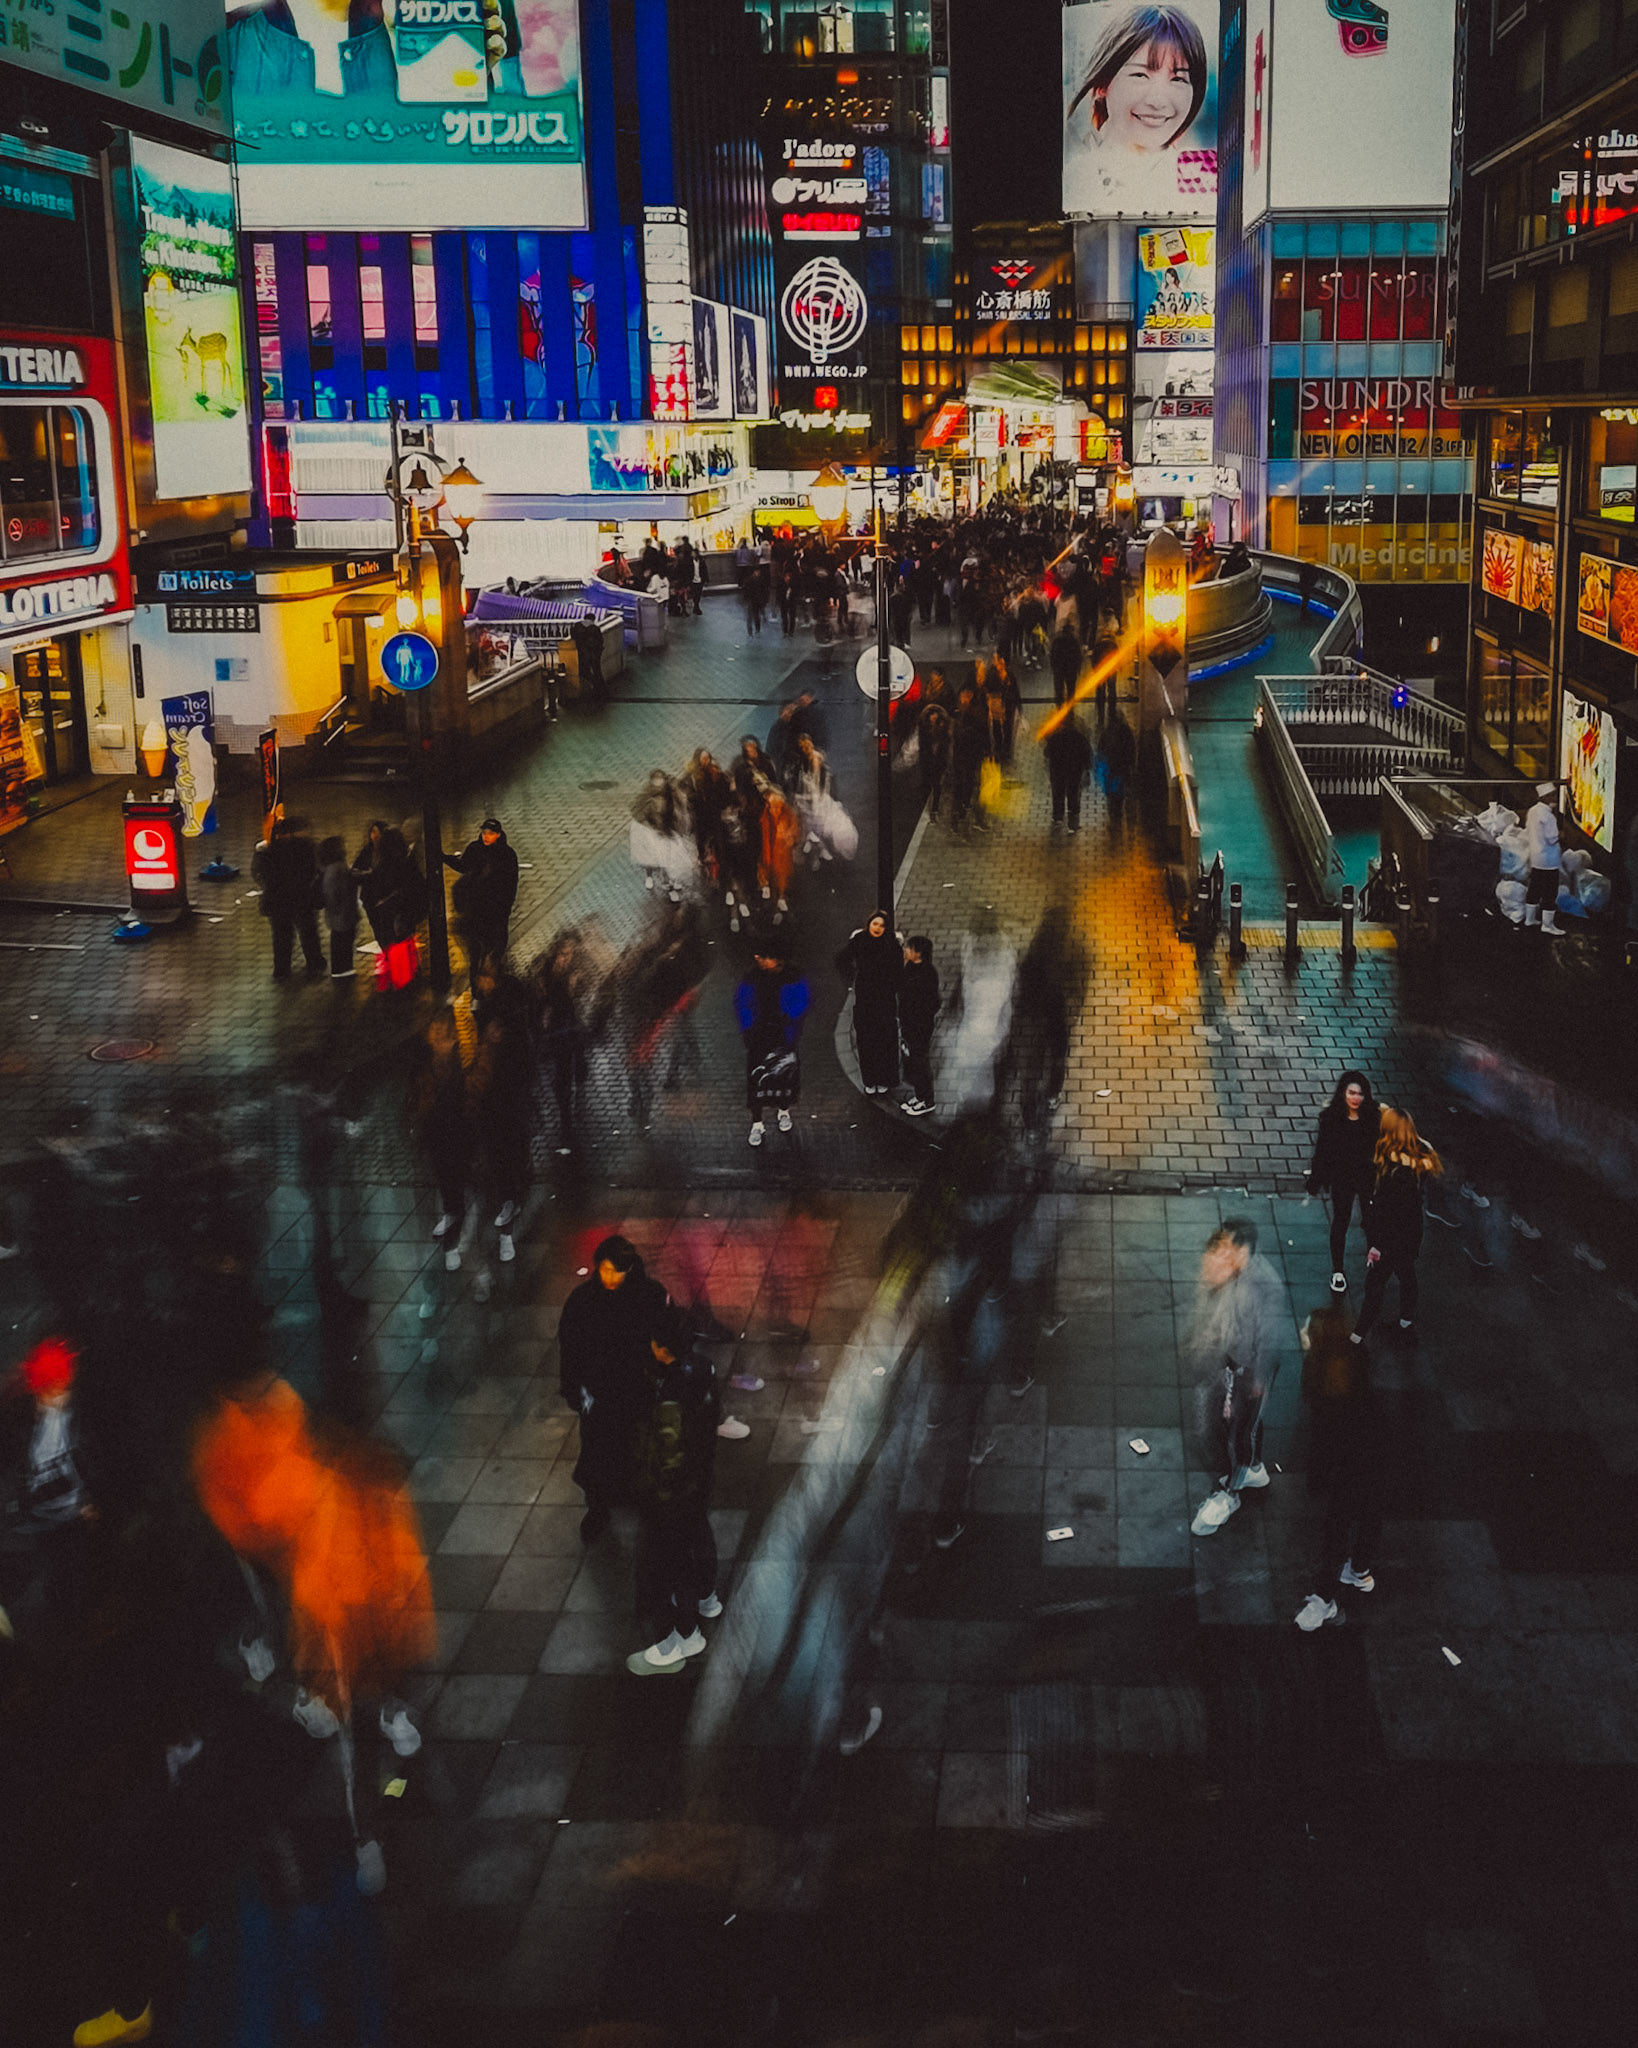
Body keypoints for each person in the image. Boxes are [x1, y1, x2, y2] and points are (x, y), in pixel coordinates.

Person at [626, 1305, 723, 1675]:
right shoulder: (703, 1370)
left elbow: (661, 1454)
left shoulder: (664, 1393)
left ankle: (674, 1639)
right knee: (695, 1542)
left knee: (659, 1566)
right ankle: (706, 1600)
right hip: (697, 1483)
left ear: (663, 1349)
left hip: (668, 1496)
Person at [558, 1237, 670, 1543]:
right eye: (605, 1270)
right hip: (601, 1393)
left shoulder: (649, 1296)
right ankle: (599, 1508)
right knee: (597, 1452)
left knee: (638, 1447)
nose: (610, 1278)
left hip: (636, 1389)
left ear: (630, 1269)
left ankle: (636, 1496)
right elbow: (569, 1348)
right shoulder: (583, 1301)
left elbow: (664, 1339)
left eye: (616, 1271)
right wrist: (573, 1390)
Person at [1063, 3, 1216, 215]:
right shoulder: (1078, 179)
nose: (1158, 100)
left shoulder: (1200, 181)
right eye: (1140, 75)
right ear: (1102, 85)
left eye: (1179, 78)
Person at [1294, 1298, 1387, 1630]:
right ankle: (1358, 1569)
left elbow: (1324, 1435)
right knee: (1369, 1513)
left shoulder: (1320, 1377)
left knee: (1337, 1528)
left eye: (1307, 1328)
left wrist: (1318, 1477)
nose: (1301, 1330)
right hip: (1375, 1451)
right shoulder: (1348, 1360)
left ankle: (1324, 1600)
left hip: (1357, 1461)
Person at [1187, 1218, 1285, 1535]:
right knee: (1233, 1428)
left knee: (1237, 1432)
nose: (1223, 1249)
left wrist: (1258, 1382)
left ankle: (1230, 1495)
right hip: (1231, 1361)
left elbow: (1267, 1340)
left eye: (1229, 1245)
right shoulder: (1233, 1271)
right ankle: (1253, 1468)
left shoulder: (1265, 1287)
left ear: (1244, 1249)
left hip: (1250, 1370)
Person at [1352, 1108, 1442, 1345]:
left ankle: (1357, 1335)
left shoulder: (1393, 1168)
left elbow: (1387, 1212)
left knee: (1375, 1285)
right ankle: (1405, 1323)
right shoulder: (1422, 1153)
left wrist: (1376, 1245)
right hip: (1411, 1230)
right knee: (1407, 1274)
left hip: (1390, 1236)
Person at [1307, 1071, 1381, 1293]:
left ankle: (1375, 1260)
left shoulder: (1373, 1117)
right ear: (1343, 1093)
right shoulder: (1331, 1118)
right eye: (1351, 1093)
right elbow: (1322, 1150)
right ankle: (1338, 1270)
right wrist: (1317, 1178)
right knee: (1341, 1220)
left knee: (1370, 1221)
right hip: (1342, 1178)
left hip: (1366, 1177)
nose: (1356, 1098)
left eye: (1359, 1094)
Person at [735, 941, 811, 1147]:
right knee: (757, 1078)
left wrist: (789, 1017)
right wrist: (749, 1028)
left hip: (784, 1036)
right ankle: (757, 1123)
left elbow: (802, 1002)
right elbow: (743, 1004)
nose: (758, 959)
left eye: (764, 956)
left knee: (785, 1075)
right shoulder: (752, 978)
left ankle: (783, 1111)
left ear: (777, 959)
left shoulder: (794, 977)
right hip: (759, 1037)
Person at [411, 1011, 470, 1265]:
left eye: (443, 1035)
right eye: (434, 1034)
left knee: (455, 1189)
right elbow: (416, 1098)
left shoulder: (459, 1066)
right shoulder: (424, 1064)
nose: (438, 1040)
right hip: (434, 1134)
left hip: (456, 1136)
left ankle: (452, 1244)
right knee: (445, 1184)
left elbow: (466, 1102)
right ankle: (449, 1219)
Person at [444, 817, 520, 976]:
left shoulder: (507, 855)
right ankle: (476, 983)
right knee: (475, 951)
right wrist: (446, 858)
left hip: (496, 910)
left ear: (498, 835)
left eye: (490, 833)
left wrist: (505, 906)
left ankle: (490, 979)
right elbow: (463, 865)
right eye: (484, 832)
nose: (486, 836)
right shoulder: (475, 848)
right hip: (477, 909)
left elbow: (510, 883)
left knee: (493, 948)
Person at [837, 912, 902, 1096]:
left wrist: (893, 986)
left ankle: (885, 1079)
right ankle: (870, 1079)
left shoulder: (891, 944)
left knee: (885, 1040)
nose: (877, 928)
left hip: (885, 998)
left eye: (881, 925)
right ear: (869, 923)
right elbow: (842, 960)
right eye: (875, 924)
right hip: (865, 997)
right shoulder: (860, 940)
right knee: (866, 1040)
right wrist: (851, 980)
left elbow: (898, 971)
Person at [253, 815, 323, 982]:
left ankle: (282, 969)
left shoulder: (270, 851)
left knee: (281, 936)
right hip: (301, 898)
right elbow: (313, 871)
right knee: (308, 932)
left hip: (278, 901)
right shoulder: (306, 848)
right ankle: (314, 963)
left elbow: (260, 874)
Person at [899, 935, 940, 1116]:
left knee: (920, 1061)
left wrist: (917, 1019)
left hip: (919, 1027)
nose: (906, 950)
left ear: (918, 953)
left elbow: (933, 1003)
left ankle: (927, 1100)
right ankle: (919, 1095)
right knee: (913, 1060)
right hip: (909, 1024)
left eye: (909, 948)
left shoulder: (927, 974)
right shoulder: (910, 967)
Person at [1523, 781, 1565, 935]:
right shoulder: (1548, 816)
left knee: (1534, 888)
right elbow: (1551, 838)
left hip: (1535, 857)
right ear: (1545, 797)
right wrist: (1560, 835)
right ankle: (1547, 925)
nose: (1555, 798)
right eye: (1552, 795)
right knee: (1549, 892)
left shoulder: (1533, 811)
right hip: (1548, 860)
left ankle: (1530, 919)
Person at [1043, 706, 1093, 833]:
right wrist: (1087, 767)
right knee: (1074, 794)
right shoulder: (1079, 737)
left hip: (1058, 772)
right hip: (1074, 772)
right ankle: (1073, 824)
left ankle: (1058, 818)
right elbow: (1087, 752)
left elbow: (1047, 753)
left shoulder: (1055, 737)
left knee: (1058, 794)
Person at [316, 835, 359, 980]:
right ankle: (342, 968)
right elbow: (333, 892)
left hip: (338, 913)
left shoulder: (330, 867)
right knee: (343, 940)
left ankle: (341, 968)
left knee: (340, 939)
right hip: (342, 912)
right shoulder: (337, 868)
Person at [1097, 708, 1136, 827]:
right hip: (1122, 766)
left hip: (1110, 766)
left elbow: (1101, 748)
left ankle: (1112, 810)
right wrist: (1132, 764)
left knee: (1110, 789)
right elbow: (1131, 749)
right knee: (1119, 789)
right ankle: (1117, 811)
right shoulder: (1126, 731)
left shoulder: (1107, 731)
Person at [1049, 623, 1082, 709]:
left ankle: (1059, 707)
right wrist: (1078, 668)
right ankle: (1070, 707)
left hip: (1059, 670)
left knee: (1059, 690)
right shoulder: (1074, 641)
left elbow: (1053, 655)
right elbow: (1078, 656)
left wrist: (1053, 667)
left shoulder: (1057, 641)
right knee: (1071, 689)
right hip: (1071, 670)